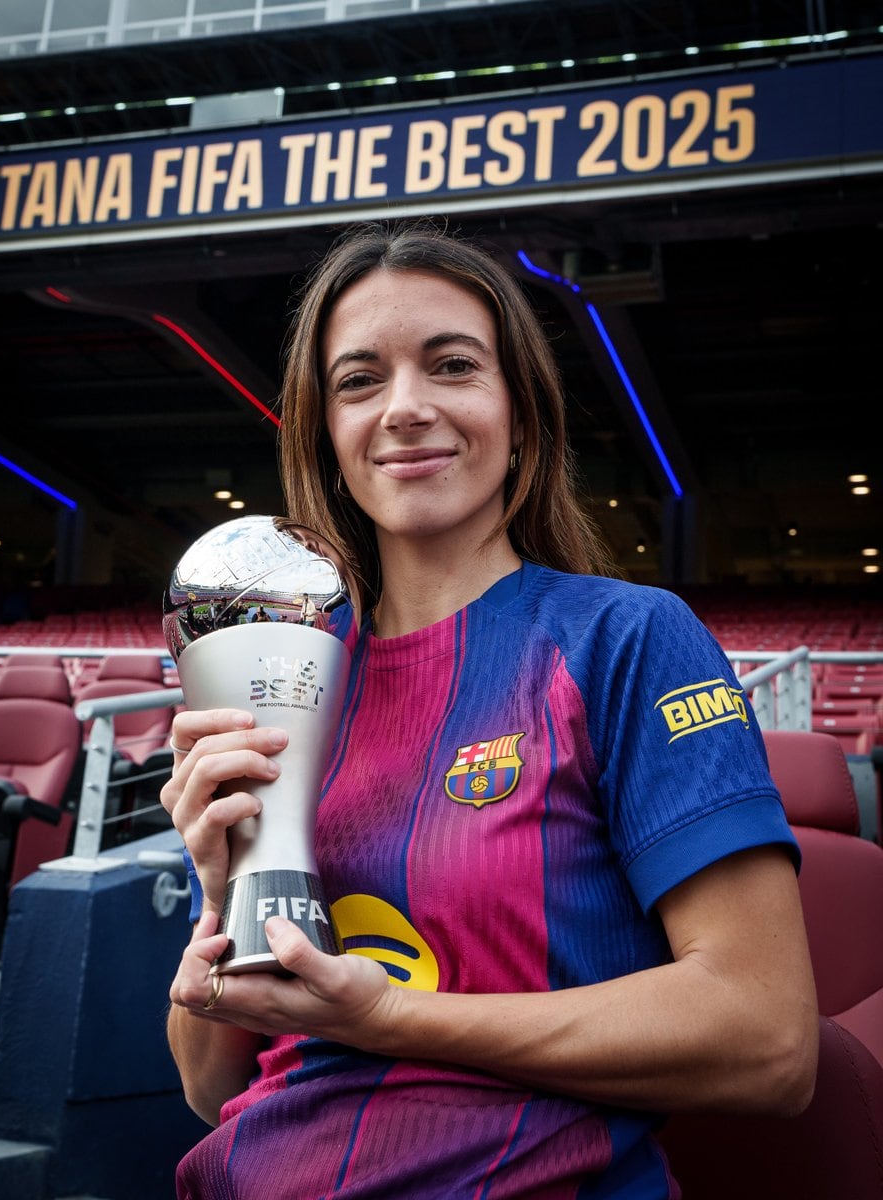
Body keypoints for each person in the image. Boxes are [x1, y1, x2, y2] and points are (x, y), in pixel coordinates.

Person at [162, 220, 818, 1199]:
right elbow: (212, 1087)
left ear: (522, 413)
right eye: (359, 380)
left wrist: (390, 1021)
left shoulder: (626, 637)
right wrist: (225, 899)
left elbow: (768, 1040)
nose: (406, 408)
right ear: (323, 433)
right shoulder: (289, 678)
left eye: (453, 365)